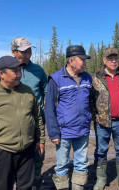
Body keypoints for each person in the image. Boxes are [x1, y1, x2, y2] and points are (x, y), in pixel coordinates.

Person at [0, 56, 46, 190]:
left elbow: (37, 118)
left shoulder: (28, 91)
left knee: (26, 186)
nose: (19, 75)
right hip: (2, 149)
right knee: (3, 186)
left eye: (20, 71)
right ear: (1, 73)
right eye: (15, 71)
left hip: (27, 148)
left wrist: (40, 139)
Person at [0, 37, 48, 189]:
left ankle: (34, 184)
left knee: (36, 157)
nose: (27, 54)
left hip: (35, 121)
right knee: (7, 164)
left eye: (29, 51)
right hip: (9, 124)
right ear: (13, 52)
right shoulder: (3, 70)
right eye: (23, 52)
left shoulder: (38, 71)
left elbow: (47, 93)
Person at [45, 45, 92, 190]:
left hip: (82, 130)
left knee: (82, 163)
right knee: (62, 165)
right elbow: (49, 108)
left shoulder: (87, 78)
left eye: (85, 59)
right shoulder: (56, 79)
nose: (84, 62)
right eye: (81, 59)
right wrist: (53, 132)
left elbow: (91, 102)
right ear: (71, 61)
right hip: (63, 132)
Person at [92, 48, 119, 190]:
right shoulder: (96, 78)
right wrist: (96, 117)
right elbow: (90, 100)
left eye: (116, 58)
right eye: (110, 58)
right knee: (100, 150)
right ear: (104, 60)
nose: (113, 61)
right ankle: (101, 179)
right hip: (102, 122)